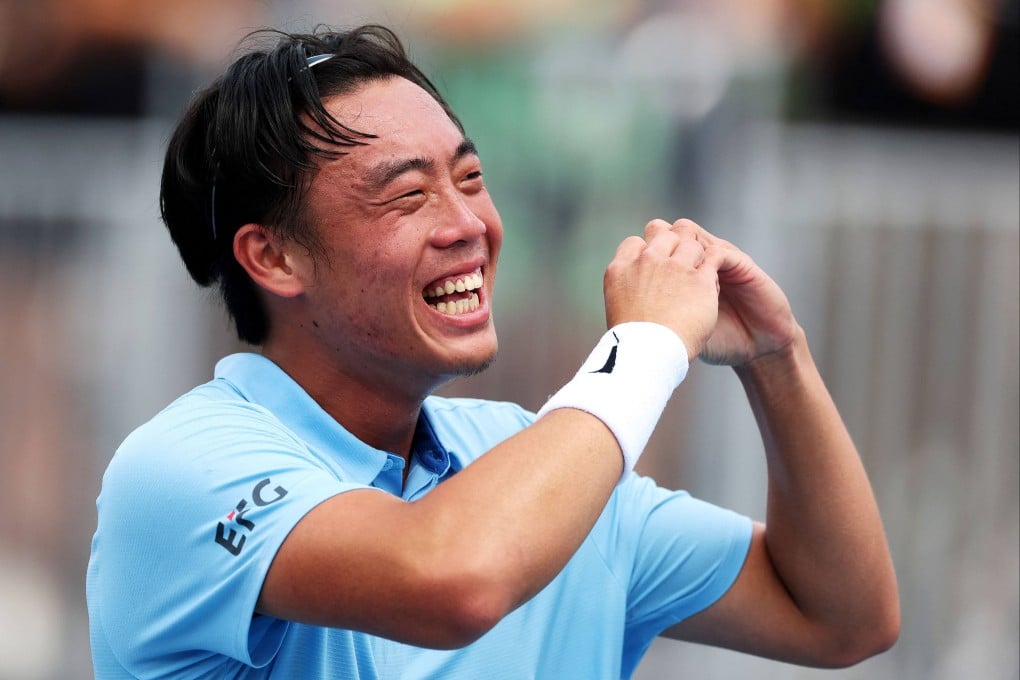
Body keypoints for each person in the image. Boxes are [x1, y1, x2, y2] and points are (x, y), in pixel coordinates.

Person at [85, 24, 899, 679]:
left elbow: (843, 618)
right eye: (407, 194)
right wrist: (643, 348)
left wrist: (777, 359)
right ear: (273, 258)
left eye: (470, 179)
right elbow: (455, 579)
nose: (468, 224)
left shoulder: (533, 459)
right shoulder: (180, 467)